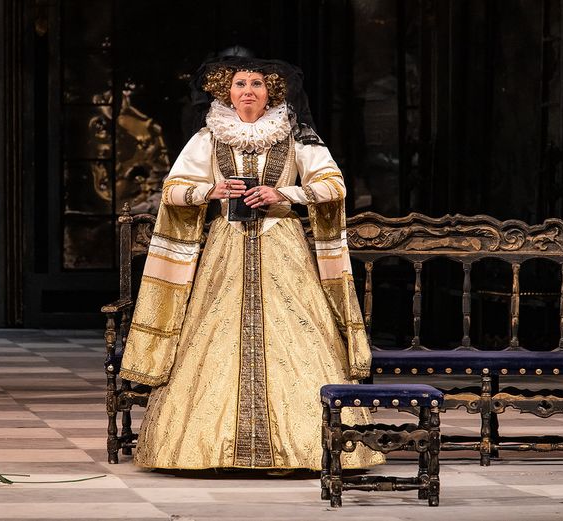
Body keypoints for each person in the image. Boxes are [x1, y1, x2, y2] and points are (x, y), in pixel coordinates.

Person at [119, 56, 382, 470]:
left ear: (270, 92)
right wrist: (210, 191)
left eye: (256, 84)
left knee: (298, 334)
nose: (248, 91)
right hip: (226, 247)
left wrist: (285, 195)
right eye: (240, 83)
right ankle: (207, 450)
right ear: (227, 92)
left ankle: (308, 447)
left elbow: (333, 185)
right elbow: (173, 190)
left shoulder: (297, 136)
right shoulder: (209, 137)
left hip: (283, 247)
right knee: (214, 333)